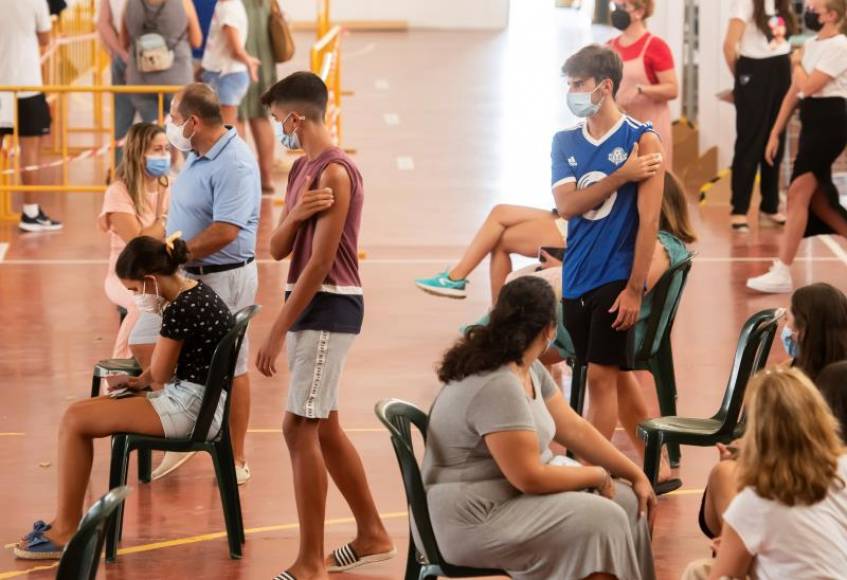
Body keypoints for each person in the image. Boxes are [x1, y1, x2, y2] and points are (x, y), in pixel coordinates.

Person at [13, 235, 235, 560]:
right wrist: (136, 382)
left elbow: (158, 377)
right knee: (77, 413)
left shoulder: (179, 310)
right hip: (197, 400)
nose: (136, 298)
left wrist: (143, 381)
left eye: (134, 291)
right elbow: (157, 374)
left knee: (76, 420)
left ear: (149, 281)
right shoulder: (196, 292)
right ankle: (66, 521)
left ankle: (66, 530)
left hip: (191, 408)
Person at [424, 276, 656, 580]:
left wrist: (634, 474)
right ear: (550, 329)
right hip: (474, 518)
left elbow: (574, 429)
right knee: (604, 517)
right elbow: (529, 478)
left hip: (509, 499)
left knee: (628, 502)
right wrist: (595, 474)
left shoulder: (528, 367)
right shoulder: (497, 383)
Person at [255, 72, 394, 580]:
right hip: (307, 306)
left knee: (298, 426)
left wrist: (274, 331)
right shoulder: (300, 170)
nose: (279, 130)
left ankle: (310, 560)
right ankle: (373, 533)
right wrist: (293, 214)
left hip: (329, 307)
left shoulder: (337, 172)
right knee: (326, 428)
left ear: (296, 117)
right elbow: (276, 249)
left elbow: (319, 264)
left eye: (278, 120)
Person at [130, 83, 260, 483]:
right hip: (188, 275)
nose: (169, 125)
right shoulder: (196, 153)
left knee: (231, 365)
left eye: (172, 117)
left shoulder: (234, 163)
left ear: (193, 121)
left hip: (224, 275)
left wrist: (179, 254)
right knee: (144, 338)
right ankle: (185, 424)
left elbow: (226, 230)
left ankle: (235, 457)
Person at [553, 44, 665, 445]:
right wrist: (621, 175)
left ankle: (589, 473)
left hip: (615, 278)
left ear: (604, 86)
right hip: (576, 276)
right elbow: (567, 206)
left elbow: (649, 220)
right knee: (613, 374)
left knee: (600, 379)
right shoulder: (564, 142)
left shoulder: (643, 141)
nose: (572, 92)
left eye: (578, 84)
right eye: (568, 84)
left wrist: (635, 288)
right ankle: (658, 461)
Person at [697, 282, 847, 542]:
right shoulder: (789, 372)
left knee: (724, 476)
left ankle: (740, 550)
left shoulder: (831, 385)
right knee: (727, 471)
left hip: (814, 490)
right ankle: (737, 546)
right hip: (793, 485)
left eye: (788, 319)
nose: (785, 329)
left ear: (803, 330)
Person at [682, 367, 847, 580]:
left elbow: (722, 575)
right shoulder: (841, 468)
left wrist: (733, 548)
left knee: (698, 572)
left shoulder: (755, 502)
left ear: (757, 434)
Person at [747, 0, 847, 293]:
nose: (809, 11)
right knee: (820, 202)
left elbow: (808, 86)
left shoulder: (840, 45)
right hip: (813, 122)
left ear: (832, 15)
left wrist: (795, 62)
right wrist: (774, 133)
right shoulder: (811, 46)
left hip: (832, 122)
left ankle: (782, 270)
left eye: (815, 8)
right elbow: (793, 93)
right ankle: (782, 271)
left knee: (796, 193)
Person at [98, 122, 171, 361]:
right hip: (124, 275)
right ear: (139, 154)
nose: (164, 155)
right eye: (157, 150)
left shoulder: (169, 186)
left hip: (159, 273)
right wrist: (165, 219)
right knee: (142, 305)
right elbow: (138, 243)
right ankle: (120, 370)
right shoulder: (118, 191)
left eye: (166, 149)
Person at [723, 0, 796, 231]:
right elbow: (729, 46)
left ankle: (770, 205)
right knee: (750, 141)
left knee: (777, 138)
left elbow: (781, 40)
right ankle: (740, 208)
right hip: (753, 70)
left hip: (781, 68)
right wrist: (742, 80)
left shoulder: (782, 4)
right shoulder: (744, 3)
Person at [0, 0, 63, 232]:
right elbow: (45, 38)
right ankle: (30, 212)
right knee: (30, 151)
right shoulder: (36, 1)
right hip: (27, 84)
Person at [414, 205, 567, 300]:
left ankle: (497, 316)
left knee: (499, 241)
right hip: (570, 214)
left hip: (579, 225)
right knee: (500, 211)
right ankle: (455, 279)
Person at [608, 1, 678, 169]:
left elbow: (672, 89)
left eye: (623, 7)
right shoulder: (609, 47)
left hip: (652, 130)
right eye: (615, 7)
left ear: (639, 11)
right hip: (620, 130)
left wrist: (642, 90)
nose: (617, 12)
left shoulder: (656, 46)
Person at [121, 0, 202, 123]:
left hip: (140, 79)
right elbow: (196, 41)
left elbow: (123, 42)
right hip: (177, 79)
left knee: (153, 131)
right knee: (177, 129)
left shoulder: (129, 3)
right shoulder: (184, 3)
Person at [238, 0, 281, 195]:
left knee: (237, 116)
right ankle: (267, 178)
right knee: (261, 116)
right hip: (264, 55)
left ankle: (243, 179)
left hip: (240, 54)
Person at [200, 0, 260, 126]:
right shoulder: (223, 5)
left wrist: (249, 61)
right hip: (222, 73)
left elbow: (235, 50)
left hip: (226, 75)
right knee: (225, 127)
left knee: (224, 129)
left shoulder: (229, 9)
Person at [97, 0, 139, 166]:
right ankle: (159, 183)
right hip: (156, 62)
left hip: (124, 58)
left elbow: (103, 23)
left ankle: (121, 178)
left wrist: (122, 55)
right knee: (159, 122)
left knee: (122, 124)